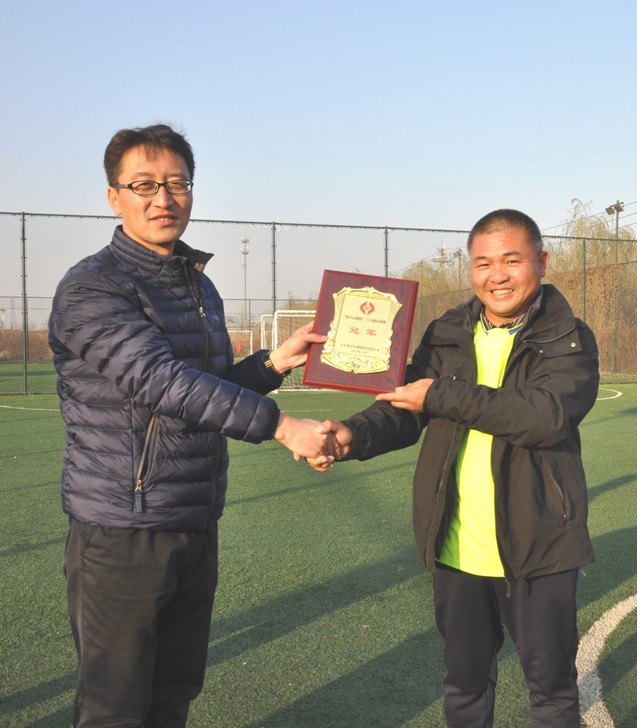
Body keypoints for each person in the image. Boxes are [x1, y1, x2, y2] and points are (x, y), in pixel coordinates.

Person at [48, 123, 332, 727]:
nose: (163, 198)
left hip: (195, 518)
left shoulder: (198, 284)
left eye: (177, 183)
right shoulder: (92, 286)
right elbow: (160, 381)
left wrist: (273, 364)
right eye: (144, 184)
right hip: (123, 527)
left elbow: (209, 385)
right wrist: (283, 427)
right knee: (115, 706)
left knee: (175, 691)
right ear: (114, 196)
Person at [312, 209, 599, 726]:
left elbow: (545, 416)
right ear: (471, 269)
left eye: (512, 261)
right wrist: (353, 435)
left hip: (539, 548)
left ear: (541, 262)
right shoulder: (447, 332)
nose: (497, 276)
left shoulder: (568, 338)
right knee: (464, 687)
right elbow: (405, 406)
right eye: (484, 263)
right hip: (455, 548)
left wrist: (440, 395)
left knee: (552, 691)